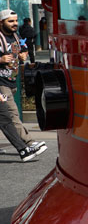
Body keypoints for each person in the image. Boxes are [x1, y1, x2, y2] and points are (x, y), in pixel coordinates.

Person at [0, 10, 45, 162]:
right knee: (11, 114)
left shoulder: (15, 35)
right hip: (1, 84)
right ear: (1, 23)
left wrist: (23, 55)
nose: (14, 24)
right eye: (10, 21)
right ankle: (29, 143)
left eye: (15, 20)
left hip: (12, 81)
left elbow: (22, 50)